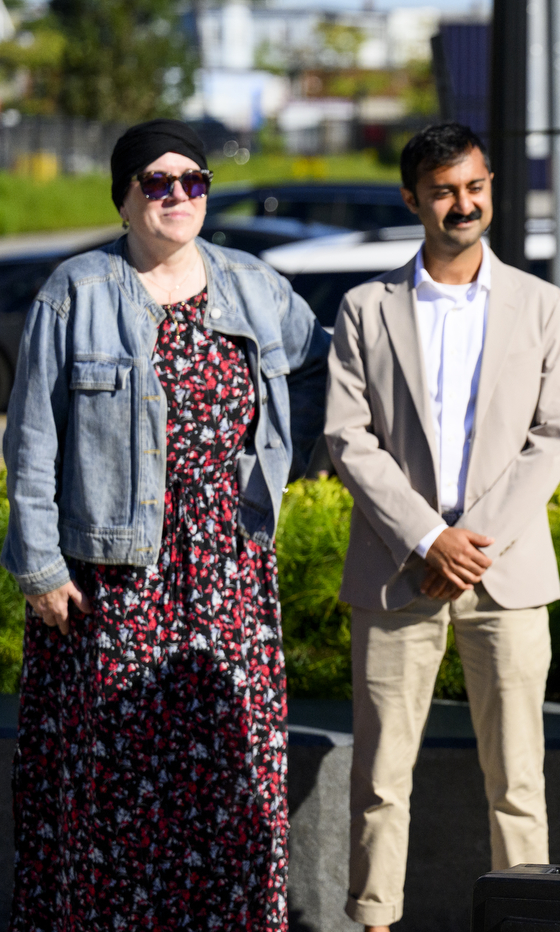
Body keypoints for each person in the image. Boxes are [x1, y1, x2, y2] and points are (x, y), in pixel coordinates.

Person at [0, 118, 329, 930]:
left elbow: (333, 364)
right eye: (156, 180)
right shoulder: (74, 292)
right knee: (114, 783)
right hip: (116, 574)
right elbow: (32, 440)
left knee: (232, 775)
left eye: (194, 179)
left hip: (229, 565)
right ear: (123, 197)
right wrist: (39, 567)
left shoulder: (256, 285)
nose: (178, 194)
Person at [325, 122, 560, 931]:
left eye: (474, 186)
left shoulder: (542, 304)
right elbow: (345, 436)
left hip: (507, 577)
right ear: (413, 198)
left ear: (491, 186)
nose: (461, 204)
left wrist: (471, 544)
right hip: (400, 574)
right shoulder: (365, 307)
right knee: (379, 778)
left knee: (519, 780)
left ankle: (526, 920)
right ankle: (373, 920)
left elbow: (555, 436)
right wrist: (429, 537)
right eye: (442, 190)